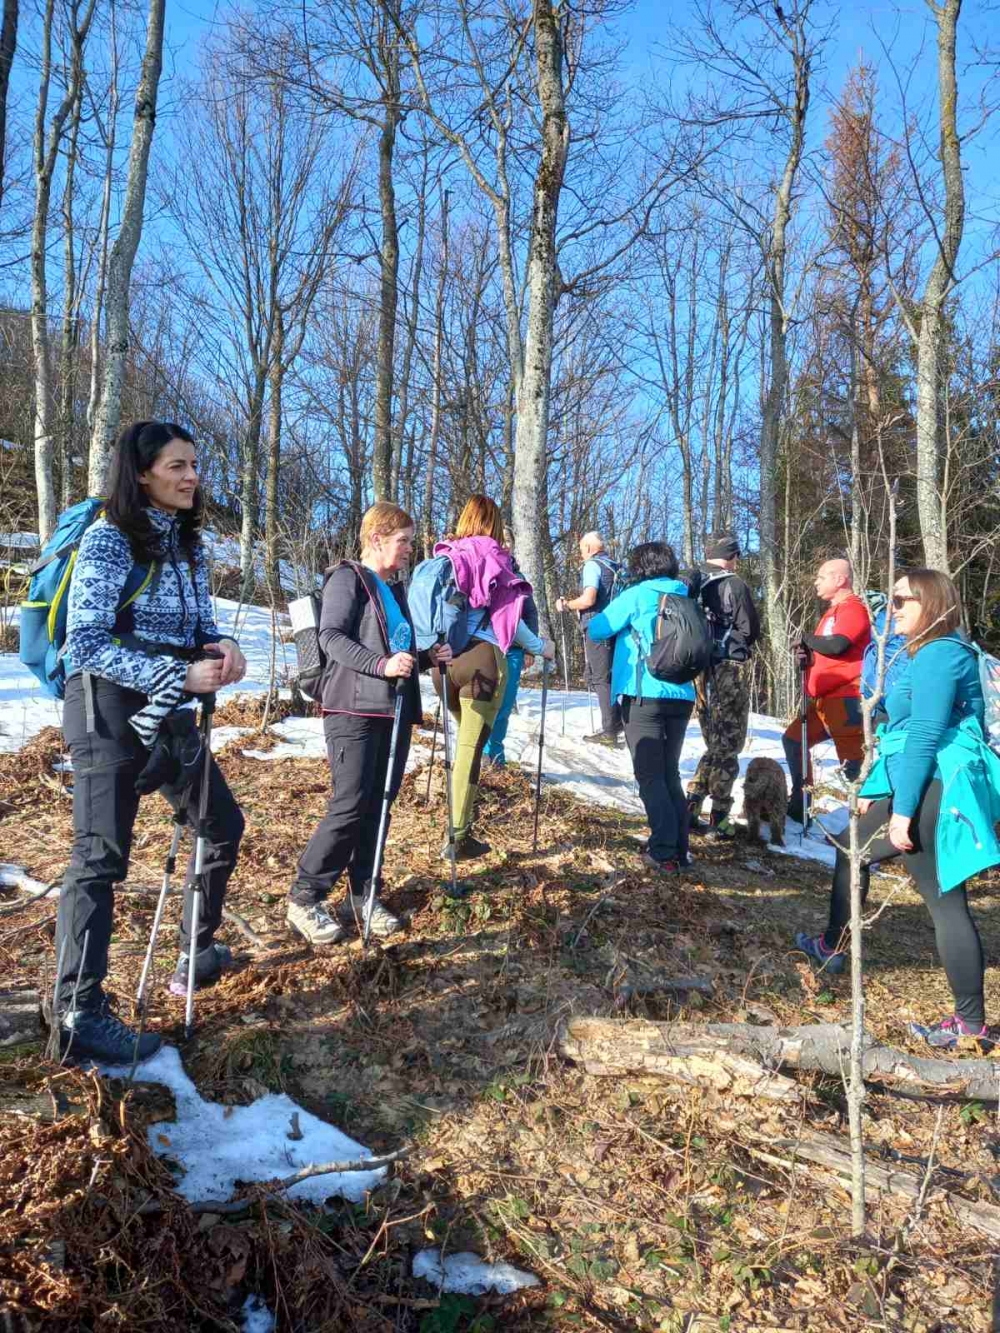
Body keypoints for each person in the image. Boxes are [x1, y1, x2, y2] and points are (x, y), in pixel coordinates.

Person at [57, 420, 248, 1064]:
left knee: (221, 823)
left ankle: (196, 950)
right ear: (142, 474)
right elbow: (85, 643)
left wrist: (222, 645)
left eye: (194, 464)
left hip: (168, 712)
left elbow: (199, 627)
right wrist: (178, 674)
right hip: (106, 710)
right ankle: (78, 1010)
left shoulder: (189, 545)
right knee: (100, 857)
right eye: (177, 466)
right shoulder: (109, 539)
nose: (192, 476)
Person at [795, 570, 1000, 1051]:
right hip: (918, 778)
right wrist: (878, 785)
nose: (892, 608)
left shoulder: (941, 654)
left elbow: (927, 734)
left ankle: (970, 1023)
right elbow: (902, 733)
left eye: (902, 599)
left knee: (945, 900)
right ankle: (834, 946)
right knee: (852, 850)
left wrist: (902, 811)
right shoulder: (922, 653)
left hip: (935, 787)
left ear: (930, 603)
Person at [286, 502, 451, 944]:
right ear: (376, 539)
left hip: (391, 711)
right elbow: (331, 637)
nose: (410, 549)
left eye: (411, 541)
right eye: (403, 541)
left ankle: (364, 895)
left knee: (379, 805)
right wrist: (381, 666)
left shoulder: (392, 591)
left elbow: (395, 655)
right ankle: (305, 897)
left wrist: (425, 658)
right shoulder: (348, 578)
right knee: (350, 804)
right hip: (352, 709)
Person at [433, 496, 555, 860]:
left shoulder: (445, 555)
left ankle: (459, 819)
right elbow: (509, 621)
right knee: (470, 751)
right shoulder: (494, 557)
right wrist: (541, 647)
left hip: (443, 664)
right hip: (481, 662)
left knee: (464, 742)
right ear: (495, 524)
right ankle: (458, 836)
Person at [587, 542, 696, 873]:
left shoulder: (636, 595)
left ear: (640, 567)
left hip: (643, 693)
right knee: (670, 773)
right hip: (682, 694)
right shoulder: (685, 595)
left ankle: (663, 853)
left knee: (649, 775)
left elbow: (598, 628)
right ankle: (679, 849)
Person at [683, 533, 761, 839]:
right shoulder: (733, 584)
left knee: (715, 742)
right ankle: (720, 816)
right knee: (729, 744)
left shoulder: (692, 582)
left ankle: (691, 806)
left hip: (699, 669)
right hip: (729, 667)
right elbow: (750, 629)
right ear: (733, 556)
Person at [783, 558, 871, 823]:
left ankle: (868, 829)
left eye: (821, 577)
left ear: (840, 579)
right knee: (793, 740)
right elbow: (828, 650)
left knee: (854, 770)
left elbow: (838, 645)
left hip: (846, 698)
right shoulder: (833, 612)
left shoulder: (853, 608)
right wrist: (808, 655)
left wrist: (807, 639)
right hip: (824, 701)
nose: (816, 582)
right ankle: (800, 806)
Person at [556, 532, 622, 746]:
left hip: (597, 628)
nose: (581, 554)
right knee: (605, 676)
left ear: (589, 548)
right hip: (617, 627)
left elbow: (589, 599)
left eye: (581, 549)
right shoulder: (615, 566)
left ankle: (611, 730)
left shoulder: (592, 566)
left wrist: (567, 605)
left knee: (600, 678)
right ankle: (617, 721)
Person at [483, 533, 540, 769]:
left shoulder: (519, 577)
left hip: (514, 651)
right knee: (483, 703)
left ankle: (496, 758)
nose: (505, 545)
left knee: (504, 706)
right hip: (486, 648)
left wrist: (531, 650)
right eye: (501, 539)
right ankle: (477, 755)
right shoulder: (484, 569)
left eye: (509, 540)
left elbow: (530, 613)